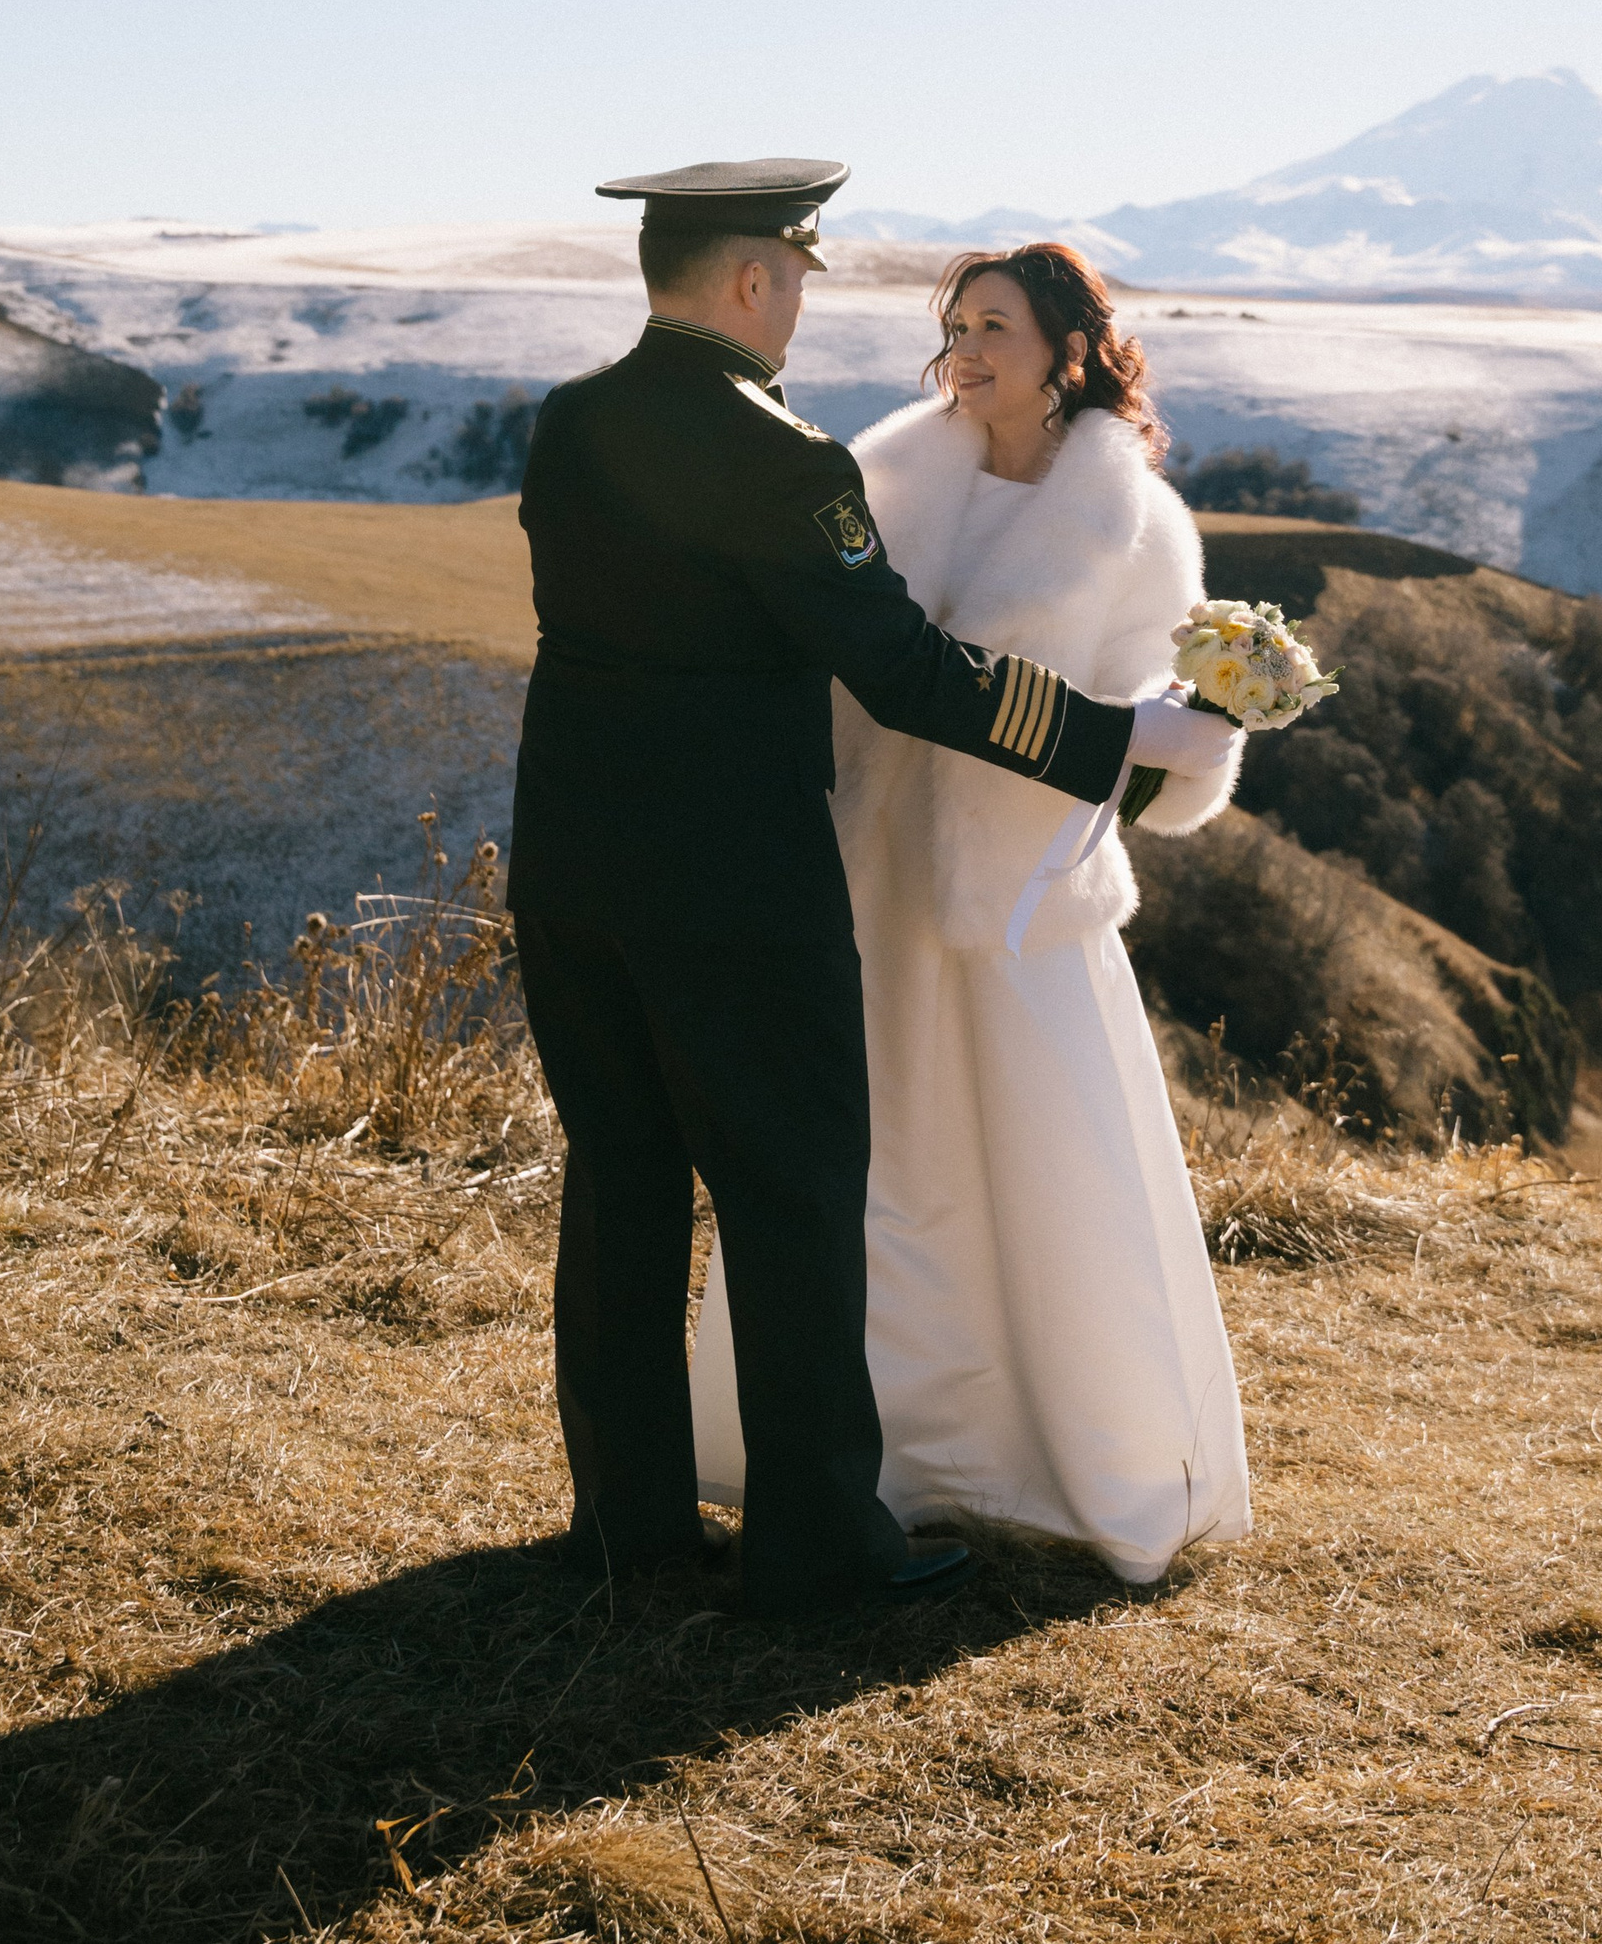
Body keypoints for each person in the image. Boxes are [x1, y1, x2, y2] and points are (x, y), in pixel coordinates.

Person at [507, 162, 1237, 1620]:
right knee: (791, 1196)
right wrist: (1117, 741)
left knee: (626, 1184)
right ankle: (820, 1541)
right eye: (795, 277)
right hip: (736, 882)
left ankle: (628, 1527)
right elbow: (901, 672)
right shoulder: (787, 462)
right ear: (753, 281)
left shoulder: (573, 424)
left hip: (574, 864)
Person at [691, 243, 1255, 1583]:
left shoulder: (1138, 524)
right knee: (873, 1169)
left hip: (1022, 908)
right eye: (955, 324)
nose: (967, 345)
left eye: (996, 324)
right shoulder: (886, 475)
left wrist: (1192, 739)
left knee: (1048, 1172)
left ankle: (1071, 1463)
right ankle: (865, 1460)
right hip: (870, 884)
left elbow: (1156, 742)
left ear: (1071, 347)